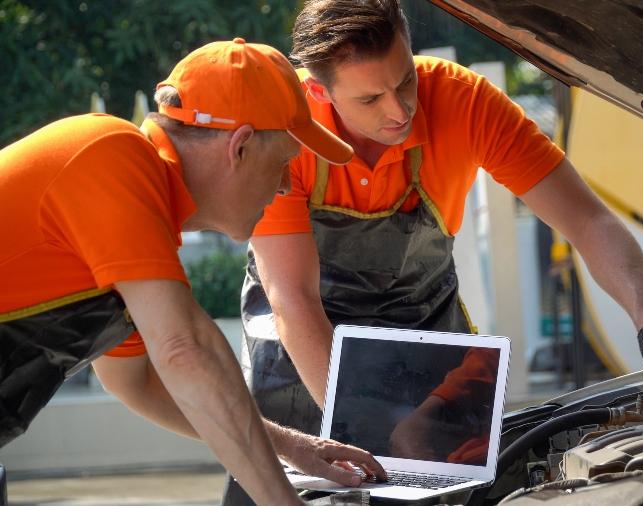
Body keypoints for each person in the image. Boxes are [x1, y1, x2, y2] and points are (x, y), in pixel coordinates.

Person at [227, 0, 643, 502]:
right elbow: (293, 299)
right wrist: (360, 434)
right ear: (319, 90)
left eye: (404, 80)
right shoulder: (286, 136)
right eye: (370, 99)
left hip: (424, 352)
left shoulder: (463, 101)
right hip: (300, 359)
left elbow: (588, 219)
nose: (399, 110)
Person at [0, 38, 385, 506]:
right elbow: (185, 348)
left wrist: (293, 445)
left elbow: (138, 382)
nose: (286, 184)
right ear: (240, 146)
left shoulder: (135, 220)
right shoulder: (110, 154)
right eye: (284, 162)